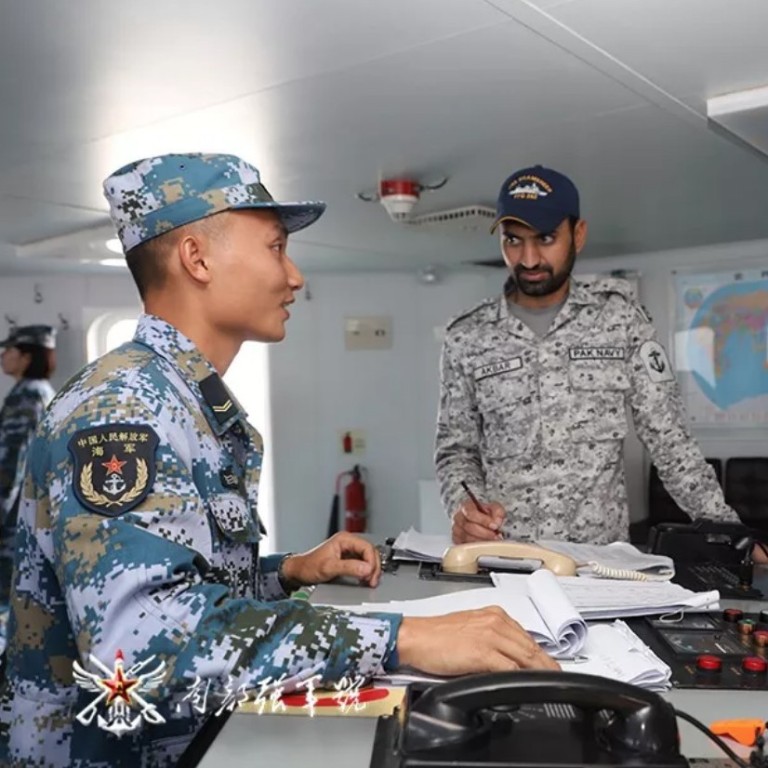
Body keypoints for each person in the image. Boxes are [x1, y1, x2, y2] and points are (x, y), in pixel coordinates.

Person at [0, 153, 557, 767]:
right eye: (275, 248)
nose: (294, 276)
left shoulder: (176, 396)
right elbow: (142, 648)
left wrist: (285, 573)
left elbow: (179, 583)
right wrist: (404, 638)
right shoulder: (124, 410)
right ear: (197, 258)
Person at [436, 164, 752, 548]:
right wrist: (464, 510)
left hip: (598, 568)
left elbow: (671, 442)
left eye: (546, 238)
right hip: (504, 560)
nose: (530, 258)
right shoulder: (467, 336)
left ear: (578, 234)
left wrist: (732, 536)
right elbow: (457, 452)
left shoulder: (620, 319)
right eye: (513, 240)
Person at [0, 325, 56, 643]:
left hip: (13, 518)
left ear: (26, 357)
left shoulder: (27, 395)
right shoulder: (41, 391)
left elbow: (10, 464)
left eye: (9, 350)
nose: (3, 356)